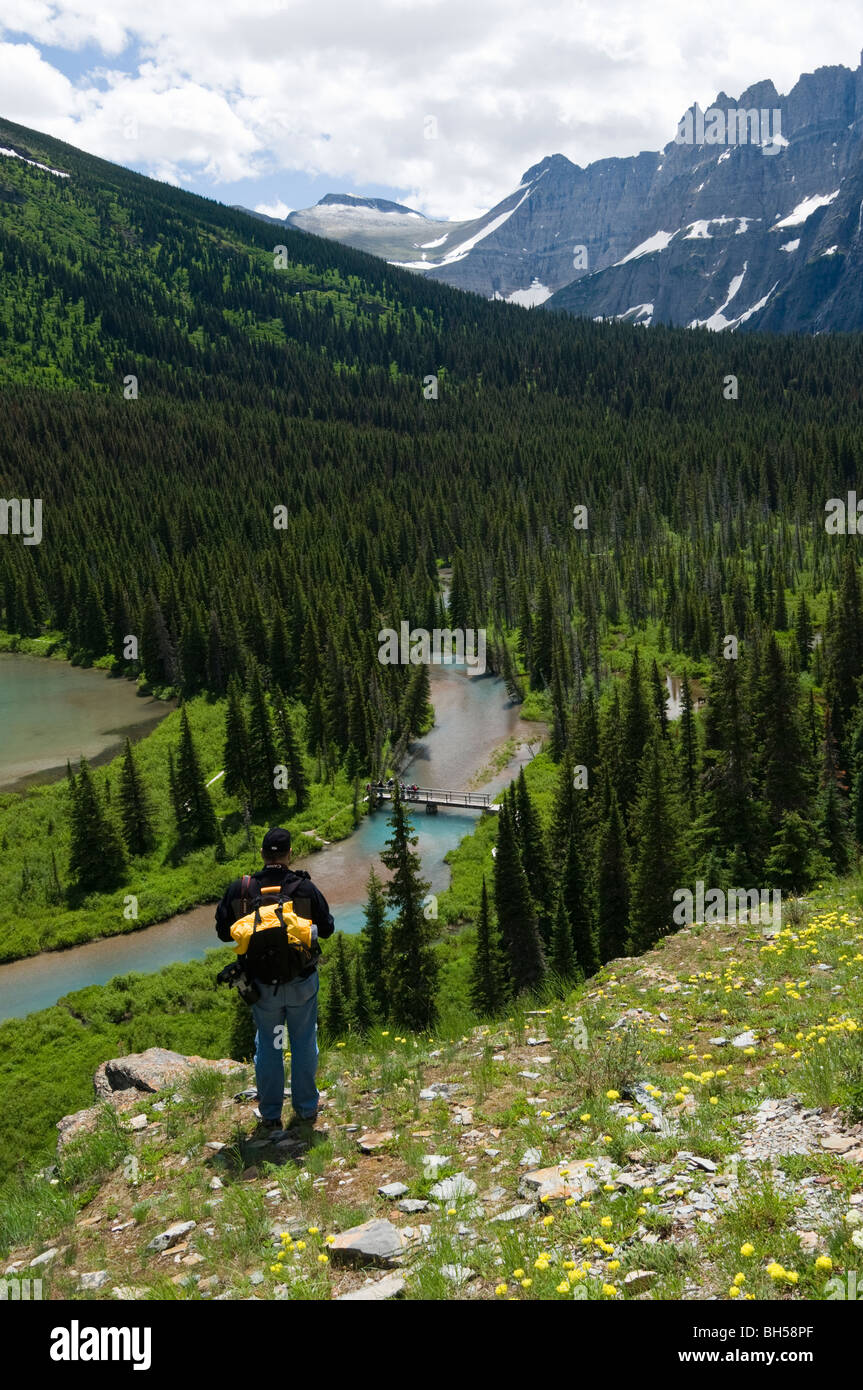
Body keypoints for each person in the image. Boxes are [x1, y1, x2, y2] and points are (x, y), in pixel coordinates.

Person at [215, 827, 334, 1134]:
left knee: (268, 1045)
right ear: (289, 854)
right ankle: (306, 1109)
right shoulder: (303, 887)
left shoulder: (242, 889)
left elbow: (222, 931)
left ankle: (270, 1115)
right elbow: (328, 927)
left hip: (261, 985)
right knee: (304, 1041)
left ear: (262, 855)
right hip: (301, 981)